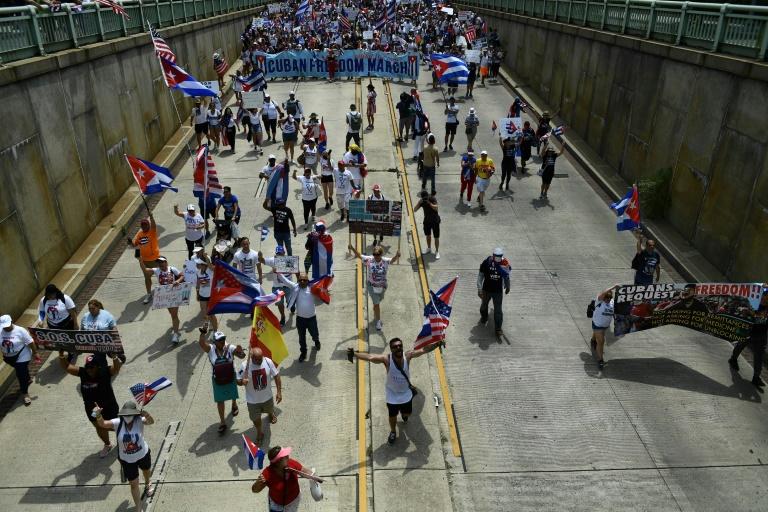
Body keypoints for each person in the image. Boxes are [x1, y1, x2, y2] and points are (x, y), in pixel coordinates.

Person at [348, 338, 428, 444]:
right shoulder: (386, 359)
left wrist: (436, 344)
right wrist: (355, 354)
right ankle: (393, 431)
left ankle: (404, 415)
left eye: (400, 345)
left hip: (406, 393)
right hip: (392, 395)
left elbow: (423, 350)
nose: (398, 348)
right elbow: (370, 357)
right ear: (391, 349)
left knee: (407, 414)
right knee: (392, 416)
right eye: (395, 347)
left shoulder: (408, 356)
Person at [58, 351, 122, 457]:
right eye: (87, 367)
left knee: (114, 425)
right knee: (99, 427)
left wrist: (114, 357)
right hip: (91, 409)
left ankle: (125, 436)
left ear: (98, 366)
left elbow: (116, 368)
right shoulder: (83, 372)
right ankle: (107, 444)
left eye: (92, 367)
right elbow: (67, 367)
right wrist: (61, 355)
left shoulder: (105, 371)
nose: (89, 370)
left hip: (108, 406)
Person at [94, 401, 156, 510]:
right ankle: (138, 507)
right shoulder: (118, 422)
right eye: (125, 414)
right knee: (134, 484)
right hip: (127, 460)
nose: (128, 417)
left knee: (146, 471)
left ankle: (148, 483)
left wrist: (147, 415)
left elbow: (151, 422)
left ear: (135, 414)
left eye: (130, 414)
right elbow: (102, 424)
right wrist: (97, 414)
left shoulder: (139, 420)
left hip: (143, 454)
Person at [198, 322, 245, 433]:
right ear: (214, 342)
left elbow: (241, 356)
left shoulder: (230, 347)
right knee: (220, 401)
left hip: (230, 376)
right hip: (217, 379)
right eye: (220, 340)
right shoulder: (210, 349)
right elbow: (201, 344)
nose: (222, 341)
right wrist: (203, 333)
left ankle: (234, 404)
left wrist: (241, 351)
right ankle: (223, 422)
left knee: (233, 394)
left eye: (223, 339)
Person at [349, 245, 401, 331]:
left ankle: (376, 308)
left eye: (378, 254)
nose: (376, 256)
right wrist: (352, 248)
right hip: (372, 287)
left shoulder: (385, 261)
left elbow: (392, 260)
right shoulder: (369, 259)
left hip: (382, 287)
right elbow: (359, 255)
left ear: (381, 254)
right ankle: (378, 321)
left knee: (378, 301)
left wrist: (397, 255)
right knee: (377, 304)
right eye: (374, 254)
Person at [237, 347, 282, 443]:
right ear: (251, 357)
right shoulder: (244, 366)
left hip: (268, 398)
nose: (259, 361)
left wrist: (279, 392)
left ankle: (270, 414)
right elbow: (237, 379)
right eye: (256, 359)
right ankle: (259, 432)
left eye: (260, 359)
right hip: (252, 401)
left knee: (270, 409)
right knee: (256, 419)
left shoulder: (268, 361)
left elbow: (276, 375)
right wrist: (241, 382)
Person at [138, 256, 184, 344]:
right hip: (164, 297)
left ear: (166, 262)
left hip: (175, 295)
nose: (160, 264)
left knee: (174, 315)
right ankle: (175, 324)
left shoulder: (172, 269)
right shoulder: (157, 270)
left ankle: (176, 334)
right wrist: (141, 262)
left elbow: (182, 275)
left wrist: (178, 281)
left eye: (162, 262)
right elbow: (146, 271)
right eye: (159, 262)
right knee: (172, 314)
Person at [252, 446, 311, 512]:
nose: (288, 456)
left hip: (293, 502)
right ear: (279, 461)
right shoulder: (267, 473)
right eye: (285, 456)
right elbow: (255, 490)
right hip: (277, 505)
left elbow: (304, 471)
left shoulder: (291, 463)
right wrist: (258, 483)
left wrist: (314, 476)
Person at [729, 287, 768, 388]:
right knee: (740, 346)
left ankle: (756, 377)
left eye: (766, 296)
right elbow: (742, 310)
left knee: (759, 357)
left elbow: (761, 318)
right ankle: (733, 359)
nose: (764, 298)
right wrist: (744, 312)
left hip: (761, 336)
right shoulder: (753, 304)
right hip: (748, 332)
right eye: (764, 295)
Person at [279, 273, 320, 362]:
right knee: (302, 338)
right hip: (300, 319)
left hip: (312, 318)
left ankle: (316, 341)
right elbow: (286, 281)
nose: (302, 281)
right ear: (298, 281)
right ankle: (303, 353)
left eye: (304, 280)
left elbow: (322, 285)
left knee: (314, 334)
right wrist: (278, 273)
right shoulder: (295, 288)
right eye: (300, 280)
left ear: (308, 281)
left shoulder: (313, 288)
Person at [0, 315, 39, 406]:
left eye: (7, 325)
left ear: (11, 322)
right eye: (4, 326)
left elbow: (30, 342)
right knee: (21, 371)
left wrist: (35, 353)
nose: (6, 328)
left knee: (20, 374)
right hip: (8, 357)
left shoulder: (20, 330)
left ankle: (25, 393)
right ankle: (27, 378)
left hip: (22, 355)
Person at [478, 248, 511, 336]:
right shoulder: (487, 262)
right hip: (486, 290)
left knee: (498, 310)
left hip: (498, 291)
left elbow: (506, 276)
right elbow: (480, 275)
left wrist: (508, 286)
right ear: (493, 255)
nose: (498, 258)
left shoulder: (504, 263)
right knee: (484, 306)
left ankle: (498, 328)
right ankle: (484, 317)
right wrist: (479, 289)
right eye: (496, 256)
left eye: (500, 256)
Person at [80, 299, 122, 367]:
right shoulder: (85, 316)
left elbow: (113, 327)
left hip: (107, 341)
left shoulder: (106, 315)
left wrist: (115, 339)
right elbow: (82, 329)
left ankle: (120, 357)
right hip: (95, 343)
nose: (91, 311)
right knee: (100, 359)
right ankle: (104, 370)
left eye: (93, 309)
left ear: (98, 307)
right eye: (90, 309)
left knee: (112, 354)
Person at [258, 245, 293, 326]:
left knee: (290, 302)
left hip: (288, 286)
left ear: (284, 253)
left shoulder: (290, 261)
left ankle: (292, 306)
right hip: (277, 287)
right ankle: (283, 316)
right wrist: (260, 256)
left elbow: (297, 272)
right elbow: (261, 260)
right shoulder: (272, 260)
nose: (279, 255)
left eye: (281, 253)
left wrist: (298, 282)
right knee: (279, 303)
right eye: (278, 254)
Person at [132, 214, 160, 304]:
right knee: (147, 278)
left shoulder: (152, 232)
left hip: (155, 259)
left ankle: (164, 290)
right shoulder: (139, 234)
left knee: (161, 275)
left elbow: (154, 225)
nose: (144, 226)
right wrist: (130, 243)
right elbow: (135, 245)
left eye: (146, 225)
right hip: (144, 261)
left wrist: (151, 217)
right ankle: (149, 294)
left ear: (148, 225)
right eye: (142, 225)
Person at [590, 286, 615, 370]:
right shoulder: (599, 301)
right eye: (606, 297)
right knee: (601, 342)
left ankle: (593, 340)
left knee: (598, 336)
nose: (608, 299)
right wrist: (614, 286)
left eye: (610, 297)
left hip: (605, 326)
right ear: (603, 297)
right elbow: (603, 293)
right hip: (597, 325)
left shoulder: (612, 302)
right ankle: (600, 360)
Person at [414, 190, 440, 259]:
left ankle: (437, 251)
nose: (425, 199)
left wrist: (430, 203)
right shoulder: (422, 201)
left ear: (428, 195)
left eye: (426, 197)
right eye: (423, 198)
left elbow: (436, 208)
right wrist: (419, 203)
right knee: (428, 235)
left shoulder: (432, 198)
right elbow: (415, 210)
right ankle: (429, 248)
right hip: (427, 221)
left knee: (436, 237)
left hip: (435, 221)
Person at [195, 257, 217, 331]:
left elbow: (209, 264)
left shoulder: (210, 270)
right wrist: (197, 293)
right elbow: (198, 283)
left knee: (211, 313)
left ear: (204, 265)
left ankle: (215, 330)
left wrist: (205, 256)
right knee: (204, 312)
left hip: (211, 295)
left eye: (199, 264)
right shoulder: (198, 272)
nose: (197, 265)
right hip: (202, 295)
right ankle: (206, 325)